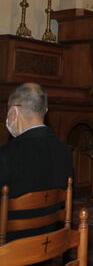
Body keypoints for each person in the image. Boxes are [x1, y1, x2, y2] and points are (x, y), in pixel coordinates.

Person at [0, 83, 73, 241]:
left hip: (10, 249)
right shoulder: (65, 152)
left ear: (14, 111)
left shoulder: (5, 156)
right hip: (47, 243)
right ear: (45, 111)